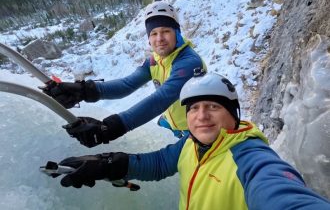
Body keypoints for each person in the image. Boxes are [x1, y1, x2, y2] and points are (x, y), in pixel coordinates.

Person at [50, 72, 330, 209]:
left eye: (213, 107)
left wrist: (109, 128)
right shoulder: (192, 144)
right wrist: (106, 164)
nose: (201, 116)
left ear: (233, 115)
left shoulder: (250, 157)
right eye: (193, 108)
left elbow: (281, 195)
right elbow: (159, 163)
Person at [42, 0, 206, 147]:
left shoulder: (188, 63)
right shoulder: (155, 60)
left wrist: (110, 127)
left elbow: (160, 100)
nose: (159, 38)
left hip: (196, 130)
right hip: (172, 124)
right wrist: (83, 90)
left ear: (177, 33)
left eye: (166, 31)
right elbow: (126, 85)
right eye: (154, 33)